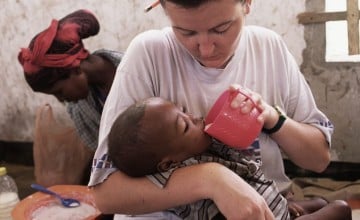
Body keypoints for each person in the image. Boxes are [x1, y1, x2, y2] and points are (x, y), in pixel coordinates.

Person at [89, 0, 341, 219]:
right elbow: (106, 195)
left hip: (269, 204)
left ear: (247, 3)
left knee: (329, 207)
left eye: (221, 29)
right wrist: (212, 179)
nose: (206, 48)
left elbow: (318, 159)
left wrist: (272, 118)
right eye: (186, 32)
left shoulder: (269, 48)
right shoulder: (149, 53)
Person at [107, 97, 351, 220]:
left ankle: (290, 209)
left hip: (276, 204)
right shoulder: (186, 184)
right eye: (185, 125)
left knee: (319, 201)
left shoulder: (196, 151)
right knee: (340, 209)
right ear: (168, 163)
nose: (194, 117)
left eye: (184, 111)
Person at [18, 9, 124, 152]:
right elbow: (104, 153)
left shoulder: (141, 69)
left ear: (75, 69)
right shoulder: (79, 111)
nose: (61, 99)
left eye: (59, 91)